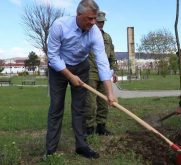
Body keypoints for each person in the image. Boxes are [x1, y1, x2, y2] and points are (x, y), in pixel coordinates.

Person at [45, 0, 116, 159]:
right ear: (78, 14)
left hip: (82, 67)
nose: (93, 22)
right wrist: (70, 76)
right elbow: (53, 56)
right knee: (56, 108)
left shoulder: (95, 32)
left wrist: (110, 92)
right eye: (90, 18)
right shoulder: (60, 26)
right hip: (58, 68)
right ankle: (50, 150)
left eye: (95, 19)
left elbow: (102, 62)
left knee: (80, 108)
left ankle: (81, 146)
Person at [85, 11, 118, 136]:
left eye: (102, 22)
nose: (101, 24)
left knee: (104, 102)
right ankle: (88, 128)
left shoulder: (107, 37)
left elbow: (112, 56)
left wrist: (114, 71)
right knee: (90, 103)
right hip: (90, 73)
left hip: (105, 74)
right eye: (99, 21)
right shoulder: (86, 34)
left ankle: (101, 126)